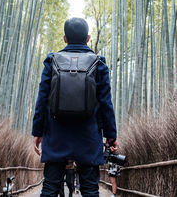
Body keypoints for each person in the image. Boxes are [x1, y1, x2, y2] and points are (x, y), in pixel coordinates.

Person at [32, 17, 118, 197]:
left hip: (56, 135)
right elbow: (106, 103)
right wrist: (111, 136)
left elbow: (42, 100)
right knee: (90, 190)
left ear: (65, 38)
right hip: (88, 135)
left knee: (49, 187)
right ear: (88, 38)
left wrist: (38, 132)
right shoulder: (98, 63)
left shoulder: (52, 61)